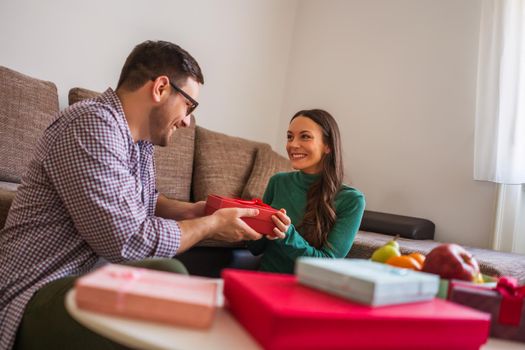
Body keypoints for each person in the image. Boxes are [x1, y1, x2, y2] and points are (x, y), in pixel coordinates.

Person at [0, 40, 267, 350]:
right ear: (161, 88)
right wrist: (212, 225)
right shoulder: (91, 124)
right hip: (32, 295)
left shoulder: (137, 144)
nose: (187, 121)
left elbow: (145, 201)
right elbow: (129, 241)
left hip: (89, 281)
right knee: (168, 275)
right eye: (189, 106)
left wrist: (194, 211)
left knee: (172, 286)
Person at [248, 109, 365, 274]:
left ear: (328, 146)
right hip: (263, 279)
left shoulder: (352, 200)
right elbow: (256, 249)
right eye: (290, 137)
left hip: (305, 289)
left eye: (305, 136)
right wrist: (250, 223)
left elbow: (326, 265)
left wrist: (287, 235)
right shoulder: (278, 181)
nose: (293, 145)